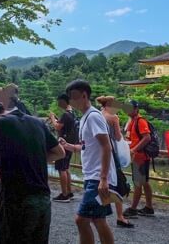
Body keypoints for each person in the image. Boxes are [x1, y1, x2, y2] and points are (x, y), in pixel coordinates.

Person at [0, 84, 64, 244]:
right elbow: (59, 152)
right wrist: (33, 161)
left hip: (15, 201)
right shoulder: (37, 123)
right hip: (42, 201)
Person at [59, 80, 116, 244]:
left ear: (84, 95)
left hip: (97, 178)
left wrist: (104, 179)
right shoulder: (85, 117)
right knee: (98, 220)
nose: (71, 100)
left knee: (81, 219)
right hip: (92, 177)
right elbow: (87, 147)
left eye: (73, 96)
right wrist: (69, 146)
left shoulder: (93, 117)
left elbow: (107, 147)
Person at [97, 96, 134, 228]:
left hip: (98, 153)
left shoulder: (98, 115)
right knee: (119, 183)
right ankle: (119, 216)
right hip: (111, 153)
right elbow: (118, 137)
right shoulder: (113, 117)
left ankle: (102, 213)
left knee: (101, 180)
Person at [123, 100, 154, 218]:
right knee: (144, 182)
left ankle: (133, 209)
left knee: (137, 183)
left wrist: (134, 149)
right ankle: (149, 207)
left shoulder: (140, 121)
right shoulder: (132, 121)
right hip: (137, 156)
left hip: (140, 157)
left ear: (136, 109)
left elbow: (147, 138)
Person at [48, 93, 76, 203]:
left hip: (63, 144)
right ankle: (69, 192)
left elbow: (57, 126)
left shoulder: (65, 115)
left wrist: (52, 118)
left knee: (61, 169)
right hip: (70, 144)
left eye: (59, 101)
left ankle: (64, 194)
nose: (58, 103)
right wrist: (56, 119)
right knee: (66, 168)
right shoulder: (72, 113)